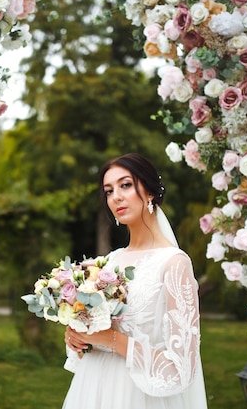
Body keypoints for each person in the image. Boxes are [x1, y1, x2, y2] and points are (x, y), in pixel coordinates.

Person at [62, 153, 208, 409]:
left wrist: (111, 340)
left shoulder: (174, 263)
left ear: (149, 191)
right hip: (93, 387)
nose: (116, 196)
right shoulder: (108, 263)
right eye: (108, 191)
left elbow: (182, 367)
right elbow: (92, 330)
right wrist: (77, 336)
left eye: (125, 185)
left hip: (141, 395)